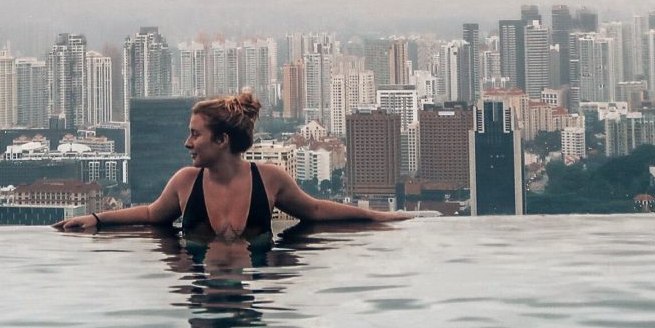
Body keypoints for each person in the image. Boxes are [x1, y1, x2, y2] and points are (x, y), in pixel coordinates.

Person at [55, 90, 412, 236]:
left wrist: (382, 217)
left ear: (222, 140)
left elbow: (315, 210)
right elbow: (150, 214)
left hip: (256, 289)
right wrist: (97, 220)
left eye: (196, 134)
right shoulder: (185, 182)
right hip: (201, 286)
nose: (187, 142)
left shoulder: (269, 179)